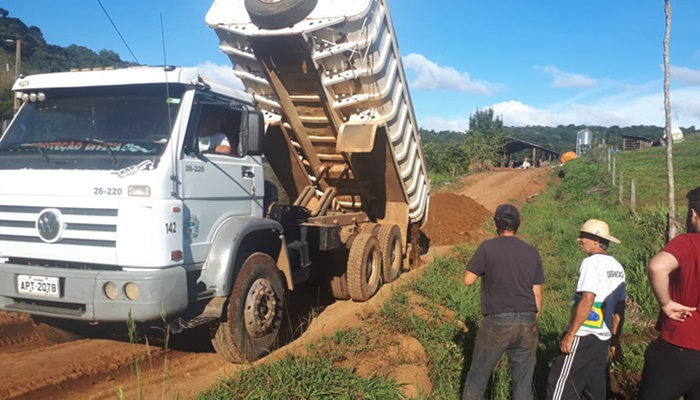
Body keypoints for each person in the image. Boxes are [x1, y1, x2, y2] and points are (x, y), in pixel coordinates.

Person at [462, 204, 545, 400]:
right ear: (519, 224)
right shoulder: (531, 252)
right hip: (527, 320)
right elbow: (538, 293)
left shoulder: (487, 247)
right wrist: (533, 321)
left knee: (477, 379)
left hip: (497, 322)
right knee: (523, 384)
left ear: (495, 224)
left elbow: (468, 279)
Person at [547, 219, 626, 400]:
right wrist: (615, 338)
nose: (579, 239)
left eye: (583, 236)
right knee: (593, 385)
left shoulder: (591, 263)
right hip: (602, 337)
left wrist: (570, 334)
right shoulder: (617, 267)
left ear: (596, 241)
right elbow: (620, 307)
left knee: (559, 382)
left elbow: (587, 300)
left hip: (583, 334)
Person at [638, 187, 700, 400]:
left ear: (693, 214)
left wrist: (666, 303)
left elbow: (657, 267)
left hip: (682, 343)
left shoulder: (689, 242)